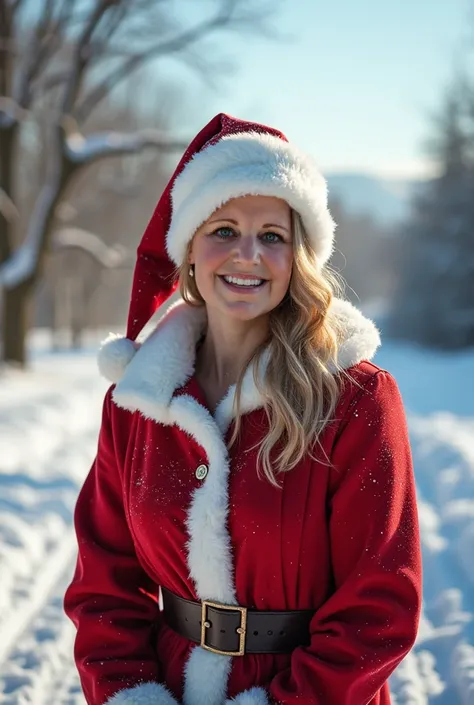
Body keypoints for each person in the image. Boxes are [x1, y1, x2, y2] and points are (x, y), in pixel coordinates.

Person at [64, 113, 422, 705]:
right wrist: (131, 695)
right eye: (223, 229)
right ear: (189, 252)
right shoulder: (139, 403)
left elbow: (379, 609)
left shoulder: (355, 400)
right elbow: (102, 587)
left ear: (298, 256)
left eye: (273, 236)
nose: (247, 254)